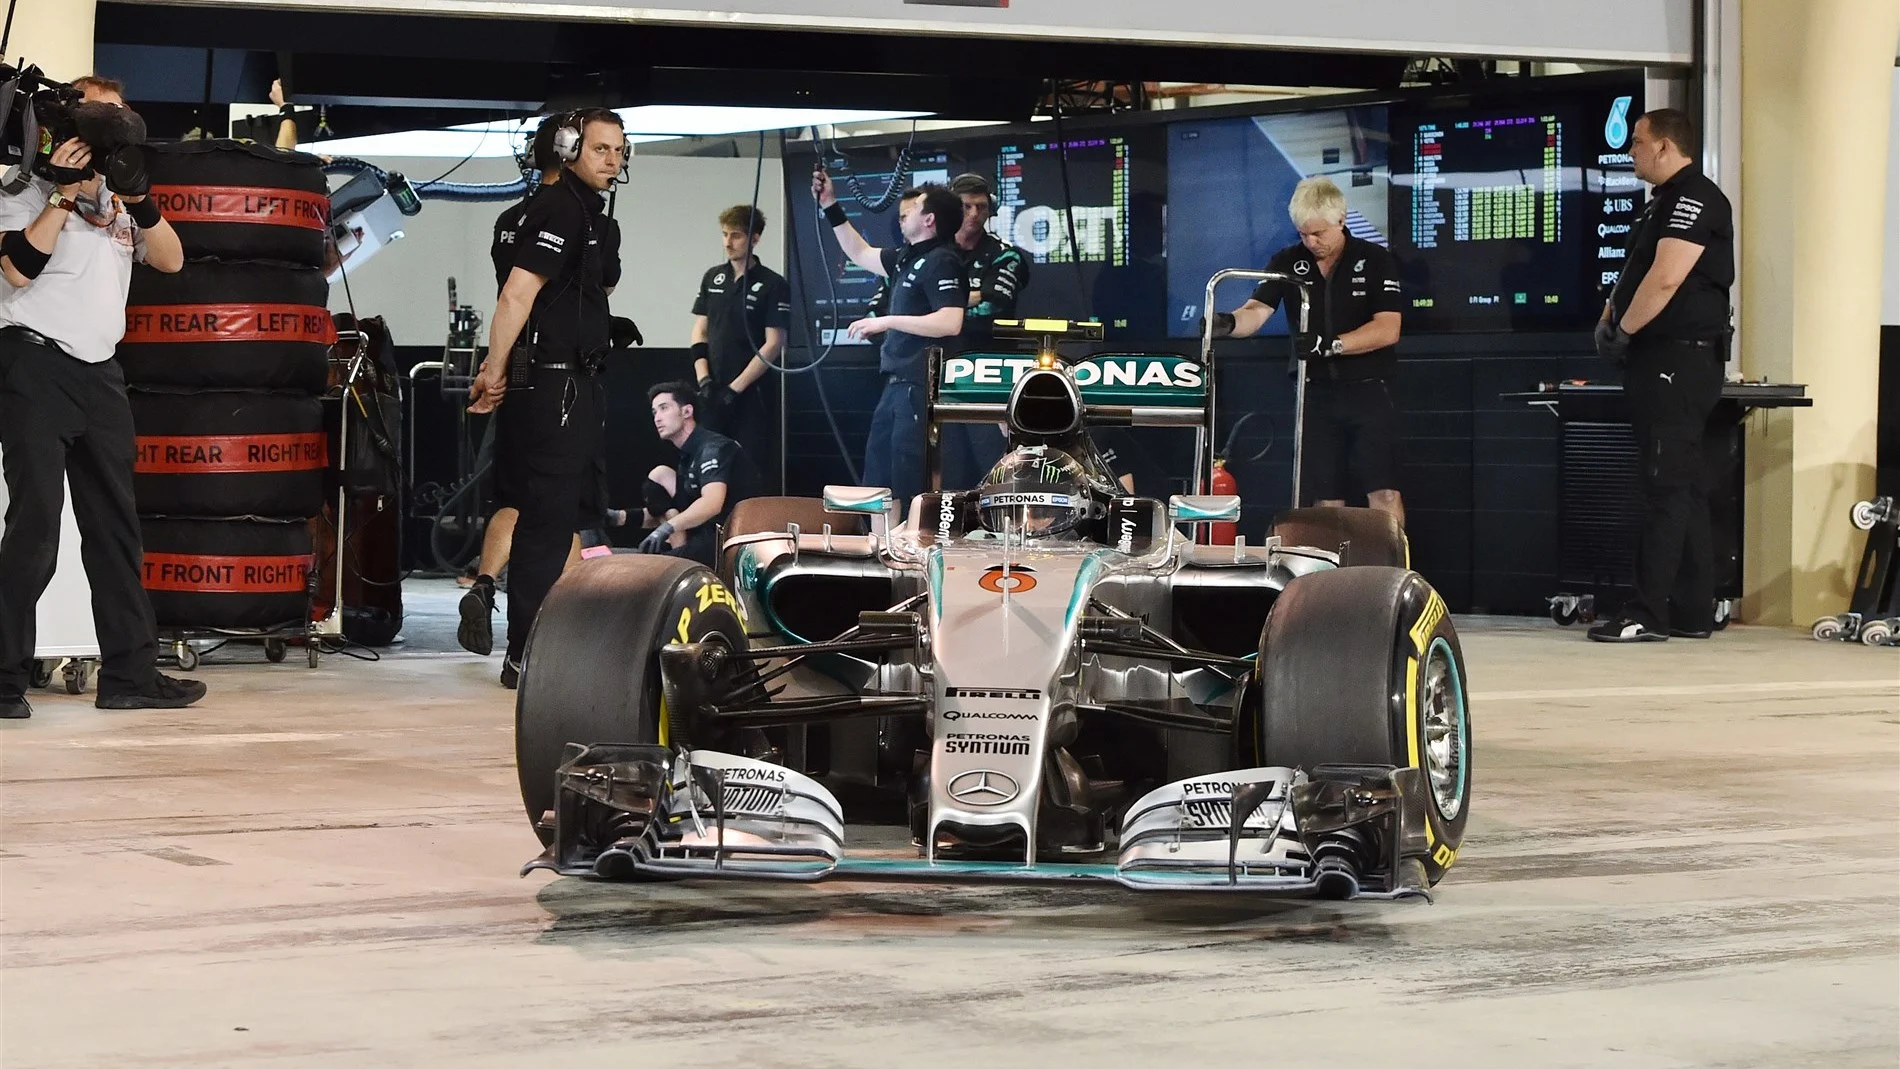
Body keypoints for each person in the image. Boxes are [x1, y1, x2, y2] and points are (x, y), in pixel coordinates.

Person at [0, 77, 206, 718]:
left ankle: (131, 675)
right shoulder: (16, 188)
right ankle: (2, 678)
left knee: (117, 530)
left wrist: (138, 200)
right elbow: (14, 268)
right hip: (33, 361)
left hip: (101, 370)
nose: (111, 128)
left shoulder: (118, 203)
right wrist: (62, 194)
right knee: (34, 529)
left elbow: (171, 260)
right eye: (100, 115)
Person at [457, 114, 631, 659]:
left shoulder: (570, 210)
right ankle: (525, 652)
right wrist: (494, 368)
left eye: (619, 152)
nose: (612, 160)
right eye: (601, 149)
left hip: (561, 382)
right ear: (569, 149)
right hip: (556, 386)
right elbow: (516, 295)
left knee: (540, 516)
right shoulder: (560, 208)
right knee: (547, 524)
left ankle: (525, 644)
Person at [1588, 109, 1735, 644]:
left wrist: (1624, 329)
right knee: (1684, 487)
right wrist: (1611, 316)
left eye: (1637, 144)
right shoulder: (1662, 204)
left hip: (1678, 359)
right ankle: (1693, 610)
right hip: (1662, 359)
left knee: (1664, 487)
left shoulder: (1695, 198)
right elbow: (1638, 271)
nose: (1631, 153)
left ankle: (1647, 613)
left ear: (1666, 146)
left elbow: (1668, 276)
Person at [1206, 176, 1406, 525]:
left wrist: (1331, 345)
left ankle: (1391, 570)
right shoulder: (1287, 261)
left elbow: (1388, 329)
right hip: (1314, 394)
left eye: (1318, 233)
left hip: (1369, 390)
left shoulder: (1375, 259)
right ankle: (1329, 576)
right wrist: (1226, 323)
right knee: (1326, 498)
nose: (1311, 242)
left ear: (1341, 221)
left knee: (1384, 492)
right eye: (1303, 234)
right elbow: (1256, 312)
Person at [811, 171, 966, 515]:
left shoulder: (943, 259)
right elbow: (860, 252)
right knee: (880, 481)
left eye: (910, 212)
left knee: (908, 480)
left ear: (929, 219)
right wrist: (831, 205)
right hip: (894, 385)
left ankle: (911, 552)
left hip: (919, 385)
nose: (903, 216)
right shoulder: (906, 257)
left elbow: (950, 320)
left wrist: (885, 321)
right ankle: (883, 552)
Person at [939, 172, 1032, 491]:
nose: (974, 214)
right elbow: (902, 302)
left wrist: (944, 304)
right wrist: (971, 295)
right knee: (948, 471)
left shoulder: (1006, 255)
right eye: (966, 207)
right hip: (942, 378)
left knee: (993, 472)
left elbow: (995, 306)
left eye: (981, 207)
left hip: (990, 378)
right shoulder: (933, 255)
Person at [690, 205, 789, 484]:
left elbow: (773, 343)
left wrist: (735, 389)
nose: (728, 243)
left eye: (736, 235)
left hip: (751, 395)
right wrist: (704, 379)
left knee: (750, 467)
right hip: (712, 390)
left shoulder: (772, 283)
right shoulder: (713, 277)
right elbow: (700, 330)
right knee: (708, 467)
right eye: (724, 235)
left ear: (754, 239)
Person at [637, 382, 746, 567]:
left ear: (687, 411)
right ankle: (679, 550)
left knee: (652, 569)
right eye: (654, 412)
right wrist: (617, 517)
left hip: (729, 538)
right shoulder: (687, 456)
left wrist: (666, 529)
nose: (657, 418)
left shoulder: (712, 447)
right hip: (703, 534)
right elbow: (668, 511)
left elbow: (712, 503)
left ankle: (680, 560)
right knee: (658, 478)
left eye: (664, 408)